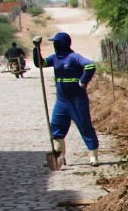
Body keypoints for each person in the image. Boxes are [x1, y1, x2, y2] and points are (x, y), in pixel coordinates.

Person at [37, 32, 99, 166]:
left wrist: (83, 81)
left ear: (63, 43)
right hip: (61, 102)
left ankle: (93, 157)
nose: (54, 45)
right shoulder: (54, 58)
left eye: (56, 43)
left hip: (77, 102)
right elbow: (40, 63)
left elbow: (90, 66)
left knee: (85, 127)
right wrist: (36, 48)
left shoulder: (73, 57)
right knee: (56, 129)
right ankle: (59, 157)